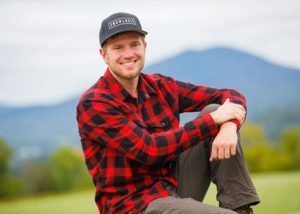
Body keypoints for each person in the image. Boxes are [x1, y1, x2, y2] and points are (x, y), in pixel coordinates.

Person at [76, 12, 260, 214]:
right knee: (214, 116)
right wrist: (213, 121)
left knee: (216, 109)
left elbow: (229, 95)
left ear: (144, 47)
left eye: (134, 45)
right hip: (135, 206)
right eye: (118, 47)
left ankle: (241, 209)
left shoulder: (161, 86)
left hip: (172, 186)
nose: (128, 54)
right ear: (104, 55)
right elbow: (149, 150)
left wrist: (229, 125)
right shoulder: (94, 103)